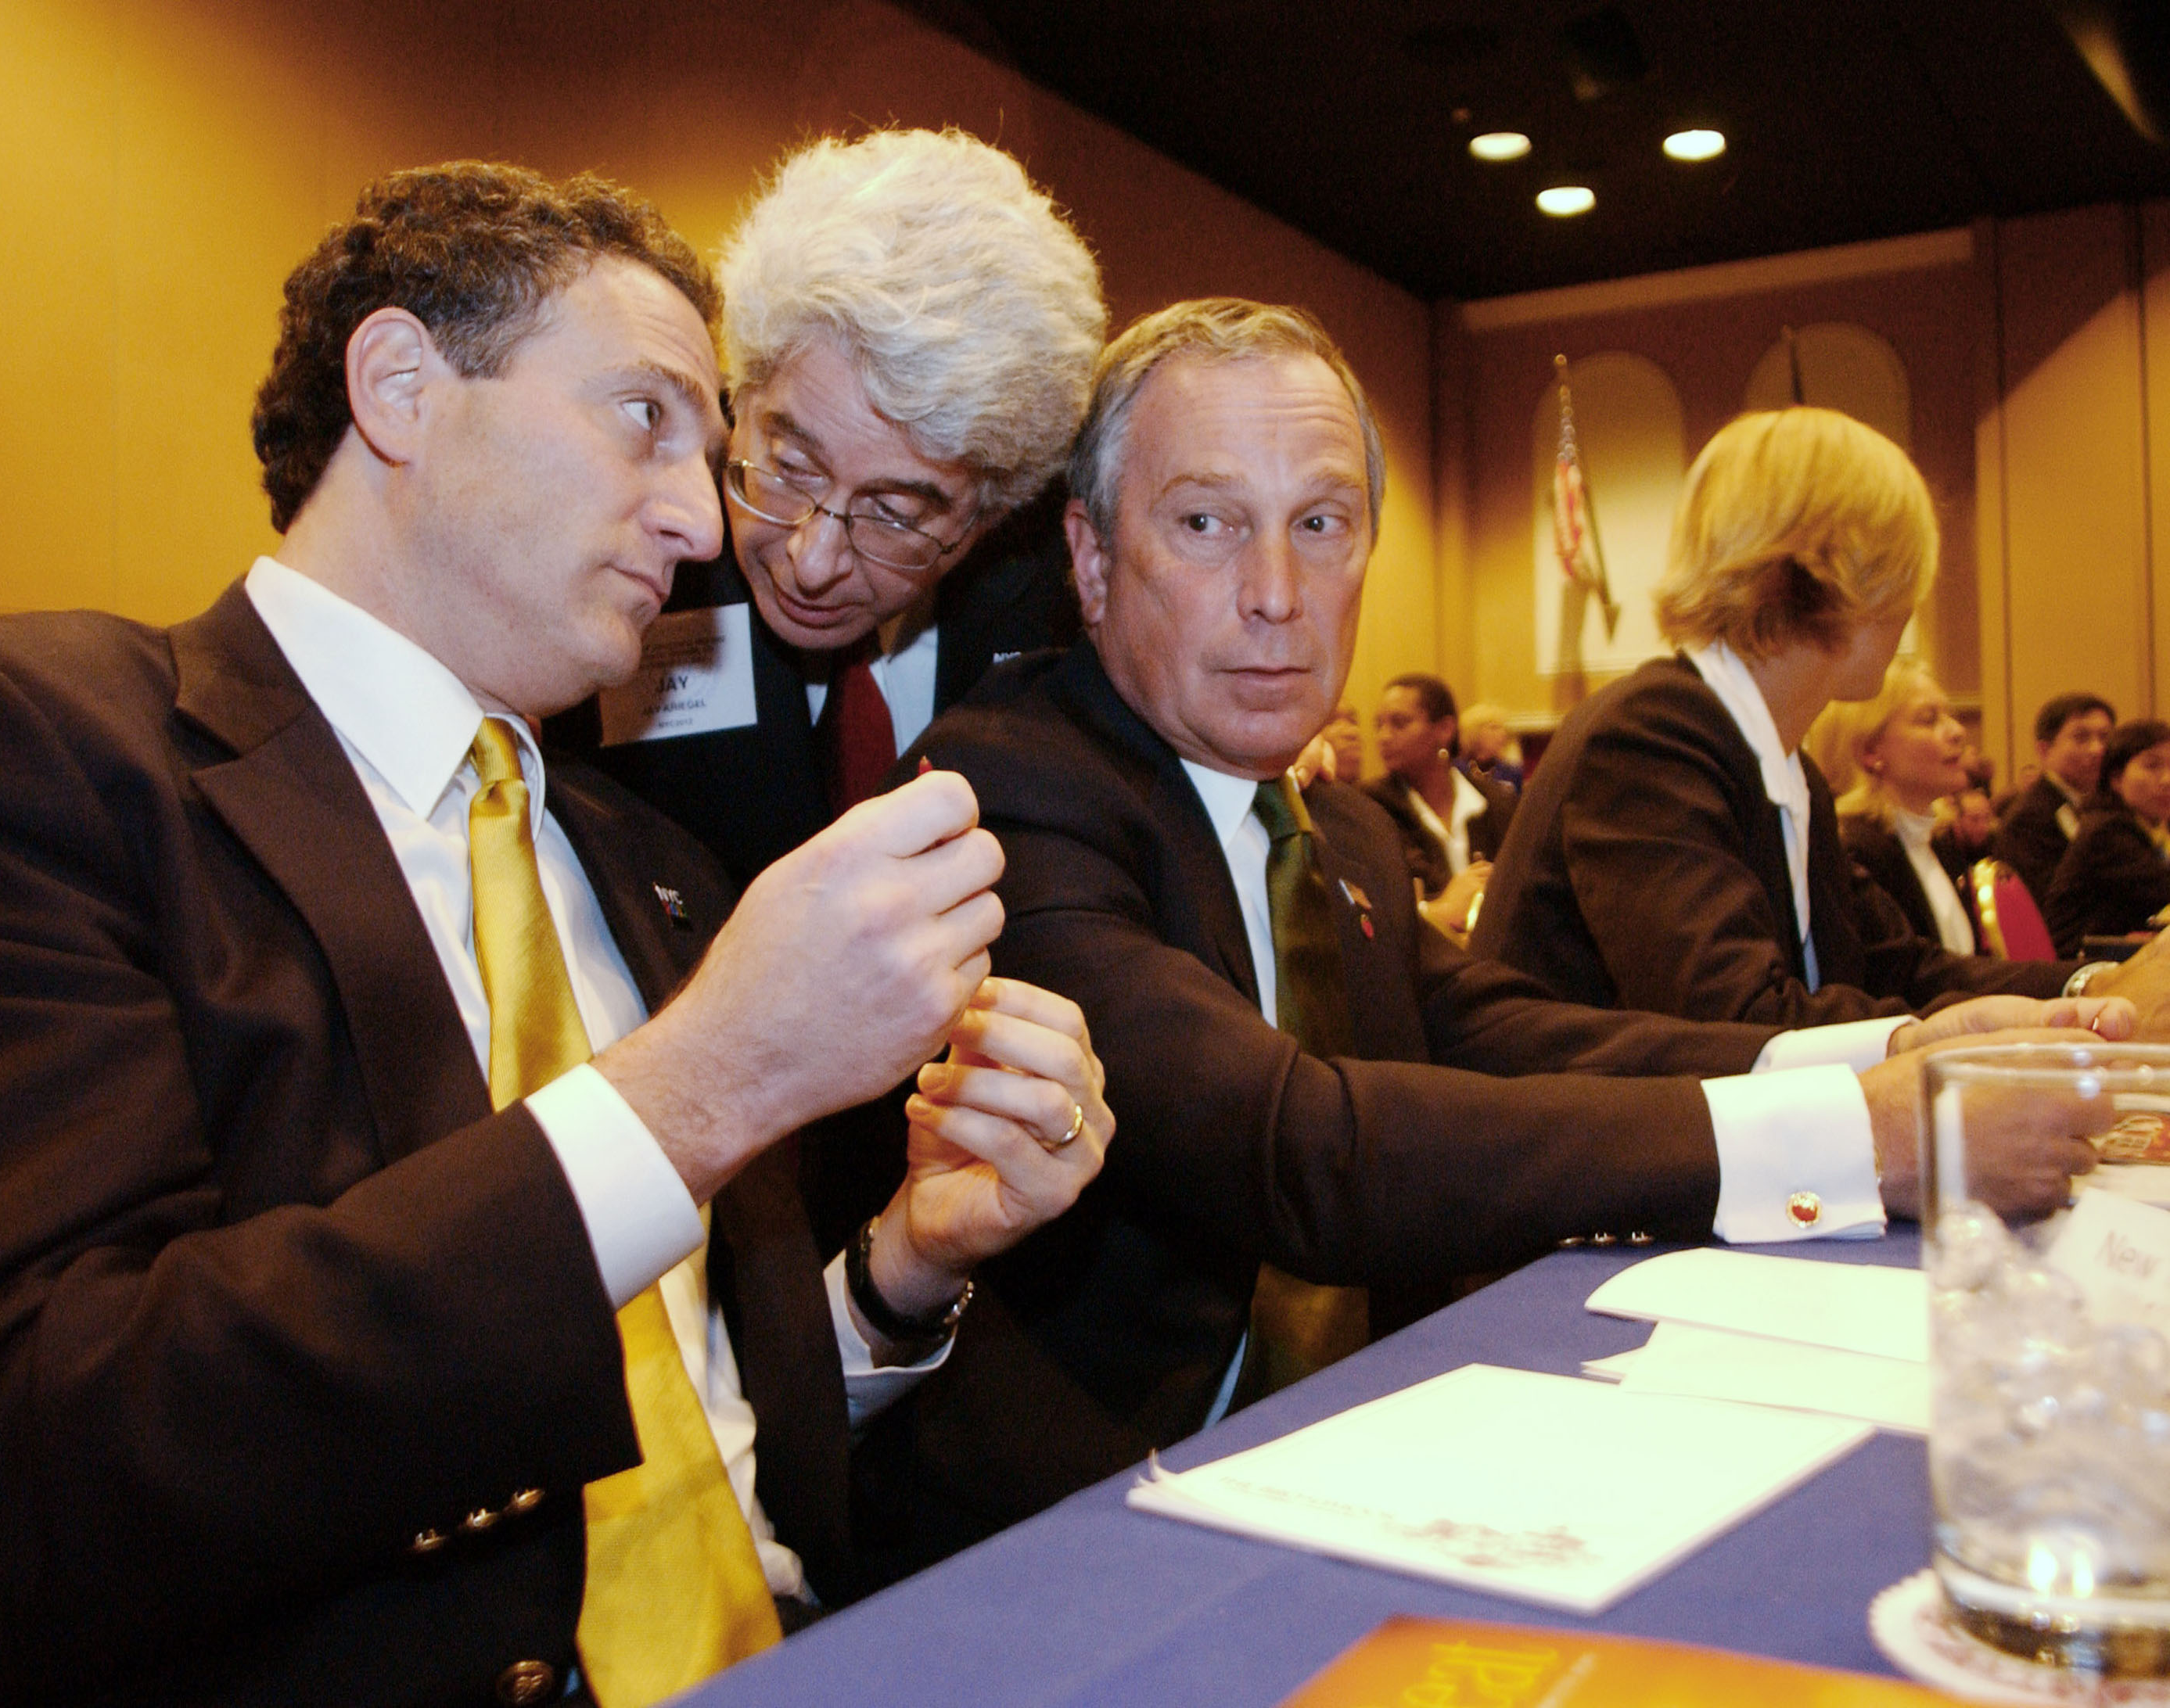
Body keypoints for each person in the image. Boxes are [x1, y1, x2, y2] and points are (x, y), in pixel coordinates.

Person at [0, 163, 1116, 1706]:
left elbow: (685, 1425)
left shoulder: (655, 870)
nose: (709, 520)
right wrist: (702, 1089)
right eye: (649, 416)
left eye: (715, 452)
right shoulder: (15, 749)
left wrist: (905, 1268)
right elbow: (4, 1480)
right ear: (400, 387)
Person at [873, 300, 2116, 1563]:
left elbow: (1495, 1028)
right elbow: (1301, 1146)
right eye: (1205, 523)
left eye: (1322, 524)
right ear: (1089, 558)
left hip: (1373, 1457)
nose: (1277, 595)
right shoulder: (1000, 792)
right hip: (1080, 1533)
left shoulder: (1338, 828)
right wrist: (1859, 1139)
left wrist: (1892, 1048)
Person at [566, 129, 1106, 886]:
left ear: (992, 514)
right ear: (740, 396)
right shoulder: (617, 542)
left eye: (895, 515)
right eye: (788, 468)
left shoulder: (1062, 597)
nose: (810, 563)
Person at [1473, 407, 2090, 1027]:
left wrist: (2090, 987)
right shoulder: (1652, 736)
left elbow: (1899, 968)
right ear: (1843, 573)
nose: (1912, 605)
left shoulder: (1786, 766)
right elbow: (1737, 1016)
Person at [1805, 657, 1979, 954]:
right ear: (1870, 751)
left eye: (1948, 715)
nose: (1957, 731)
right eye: (1929, 719)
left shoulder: (1939, 841)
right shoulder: (1855, 852)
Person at [1365, 672, 1515, 939]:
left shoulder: (1497, 803)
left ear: (1445, 730)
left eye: (1399, 723)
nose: (1384, 736)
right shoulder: (1370, 808)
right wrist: (1437, 910)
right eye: (1379, 725)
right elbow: (1371, 914)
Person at [2045, 719, 2170, 951]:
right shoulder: (2107, 832)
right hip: (2081, 963)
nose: (2167, 780)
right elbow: (2162, 888)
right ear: (2116, 779)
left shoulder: (2151, 826)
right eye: (2152, 766)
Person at [1996, 692, 2117, 899]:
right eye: (2082, 738)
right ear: (2045, 750)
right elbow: (2049, 900)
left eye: (2105, 738)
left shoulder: (2104, 807)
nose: (2098, 750)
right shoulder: (2029, 818)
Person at [1459, 699, 1525, 792]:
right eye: (1494, 727)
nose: (1503, 734)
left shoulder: (1512, 772)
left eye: (1502, 728)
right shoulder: (1456, 772)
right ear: (1474, 732)